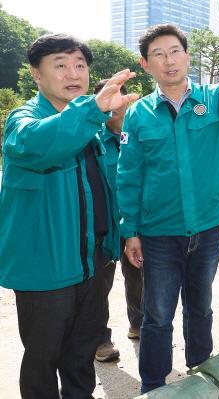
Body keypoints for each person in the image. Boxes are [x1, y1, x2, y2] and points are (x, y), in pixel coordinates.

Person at [117, 24, 219, 393]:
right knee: (157, 315)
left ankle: (202, 372)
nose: (169, 61)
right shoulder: (138, 115)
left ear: (187, 55)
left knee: (200, 306)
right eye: (159, 54)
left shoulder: (213, 100)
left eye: (174, 51)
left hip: (207, 227)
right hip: (158, 232)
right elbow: (129, 174)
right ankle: (153, 384)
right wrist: (130, 230)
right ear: (146, 63)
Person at [0, 33, 137, 399]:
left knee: (81, 354)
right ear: (36, 75)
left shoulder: (93, 128)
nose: (73, 73)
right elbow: (40, 145)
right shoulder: (23, 121)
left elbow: (112, 186)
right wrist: (93, 111)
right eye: (60, 65)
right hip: (46, 266)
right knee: (44, 357)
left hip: (94, 262)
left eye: (80, 65)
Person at [92, 80, 144, 363]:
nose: (115, 104)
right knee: (100, 283)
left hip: (135, 220)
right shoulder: (93, 138)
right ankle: (100, 339)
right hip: (104, 224)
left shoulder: (139, 134)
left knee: (137, 275)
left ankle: (138, 324)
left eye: (119, 97)